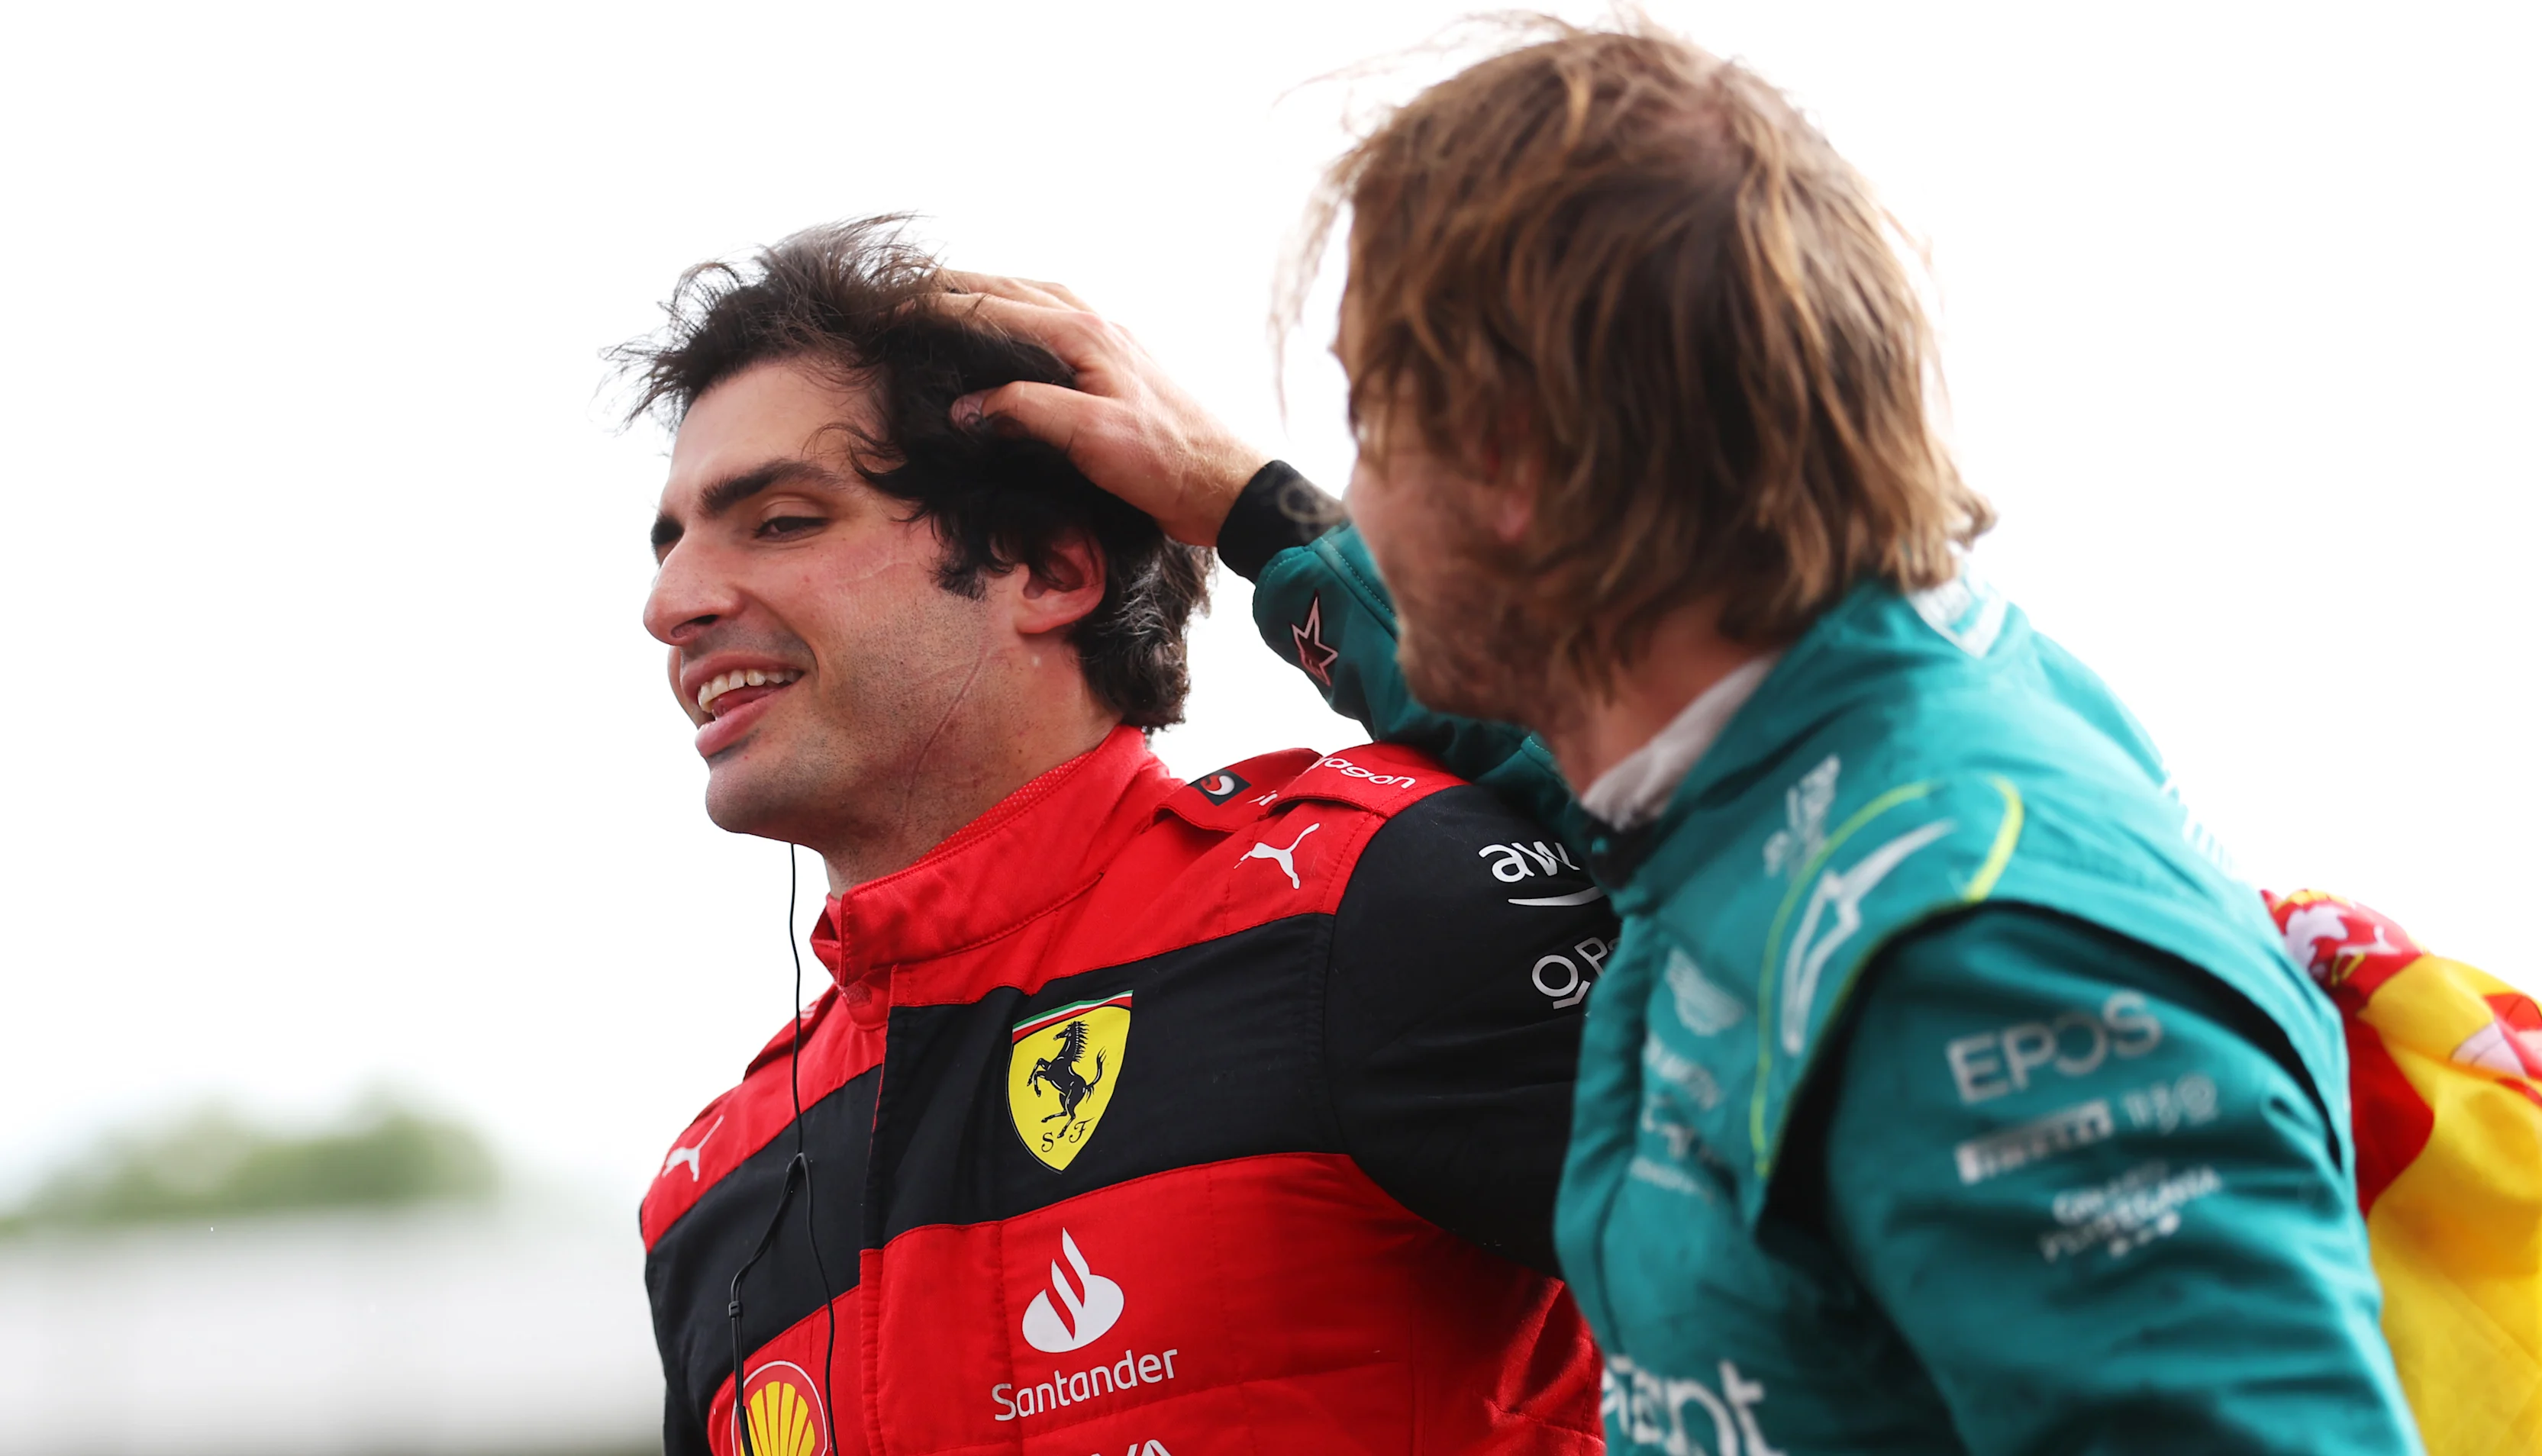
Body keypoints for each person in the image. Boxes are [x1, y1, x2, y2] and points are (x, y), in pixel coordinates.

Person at [936, 20, 2433, 1454]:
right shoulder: (1829, 736)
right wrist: (1254, 513)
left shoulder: (1961, 951)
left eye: (1372, 424)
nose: (1360, 489)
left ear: (1508, 459)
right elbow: (1529, 723)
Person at [616, 217, 1615, 1456]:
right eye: (671, 544)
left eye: (781, 521)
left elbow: (1748, 864)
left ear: (1046, 569)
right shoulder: (714, 1191)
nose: (671, 604)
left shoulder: (1365, 902)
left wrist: (1267, 517)